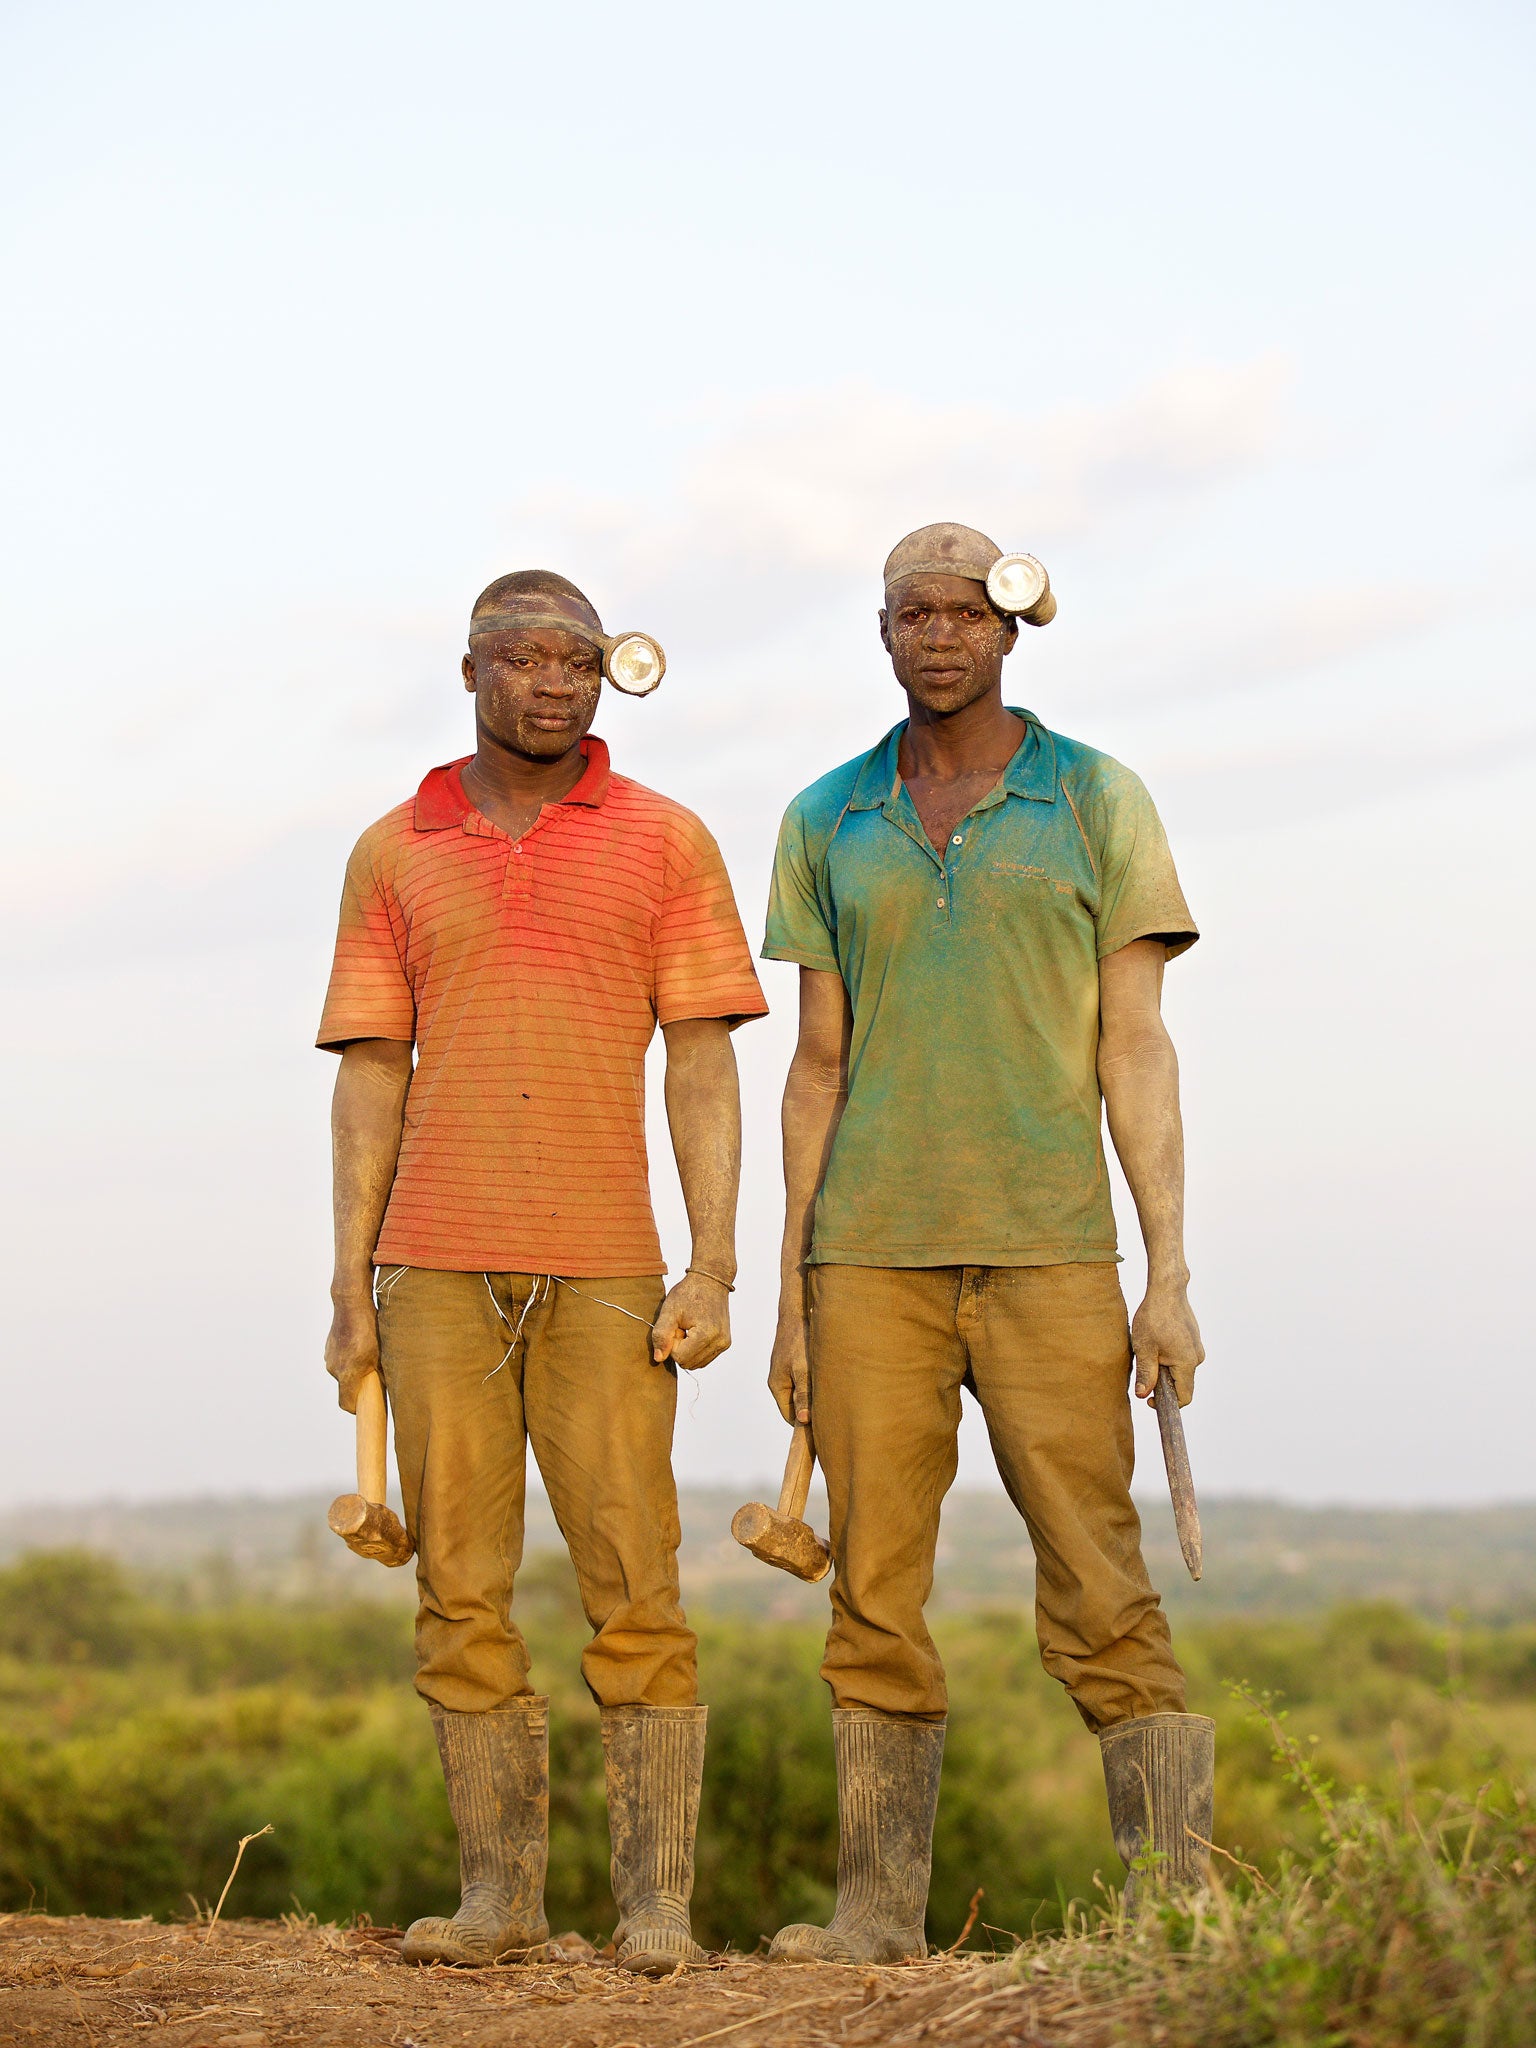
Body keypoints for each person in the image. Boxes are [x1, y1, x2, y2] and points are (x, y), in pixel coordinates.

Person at [761, 523, 1214, 1962]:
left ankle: (1176, 1916)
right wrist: (790, 1290)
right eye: (915, 613)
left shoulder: (1094, 798)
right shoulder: (826, 817)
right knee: (872, 1582)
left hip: (1053, 1254)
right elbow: (817, 1064)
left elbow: (1136, 1047)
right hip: (869, 1259)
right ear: (880, 632)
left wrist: (1170, 1278)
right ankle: (877, 1917)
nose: (942, 634)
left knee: (1098, 1573)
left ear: (1012, 631)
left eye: (969, 612)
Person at [317, 570, 767, 1971]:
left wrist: (714, 1265)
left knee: (637, 1579)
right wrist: (350, 1284)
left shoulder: (668, 840)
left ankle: (657, 1908)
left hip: (611, 1270)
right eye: (526, 659)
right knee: (458, 1584)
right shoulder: (394, 850)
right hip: (434, 1268)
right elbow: (370, 1078)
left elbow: (703, 1059)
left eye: (580, 660)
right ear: (470, 675)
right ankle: (499, 1901)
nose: (557, 682)